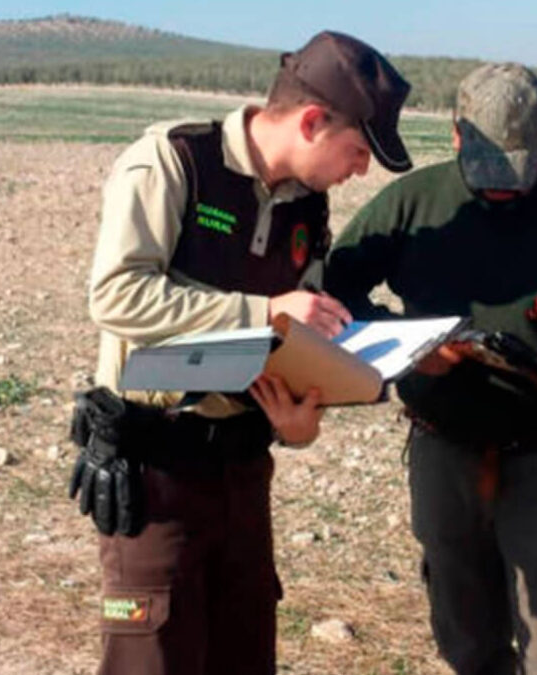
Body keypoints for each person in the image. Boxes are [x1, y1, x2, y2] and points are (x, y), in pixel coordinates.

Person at [75, 31, 412, 675]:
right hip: (156, 471)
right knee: (154, 660)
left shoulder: (307, 207)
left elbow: (293, 341)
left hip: (242, 473)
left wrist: (301, 422)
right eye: (360, 150)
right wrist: (263, 311)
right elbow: (117, 295)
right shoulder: (174, 161)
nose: (361, 170)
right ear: (313, 122)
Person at [325, 63, 537, 675]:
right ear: (455, 135)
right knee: (465, 636)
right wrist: (407, 344)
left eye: (517, 169)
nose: (502, 188)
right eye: (486, 166)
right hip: (443, 450)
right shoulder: (414, 203)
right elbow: (332, 290)